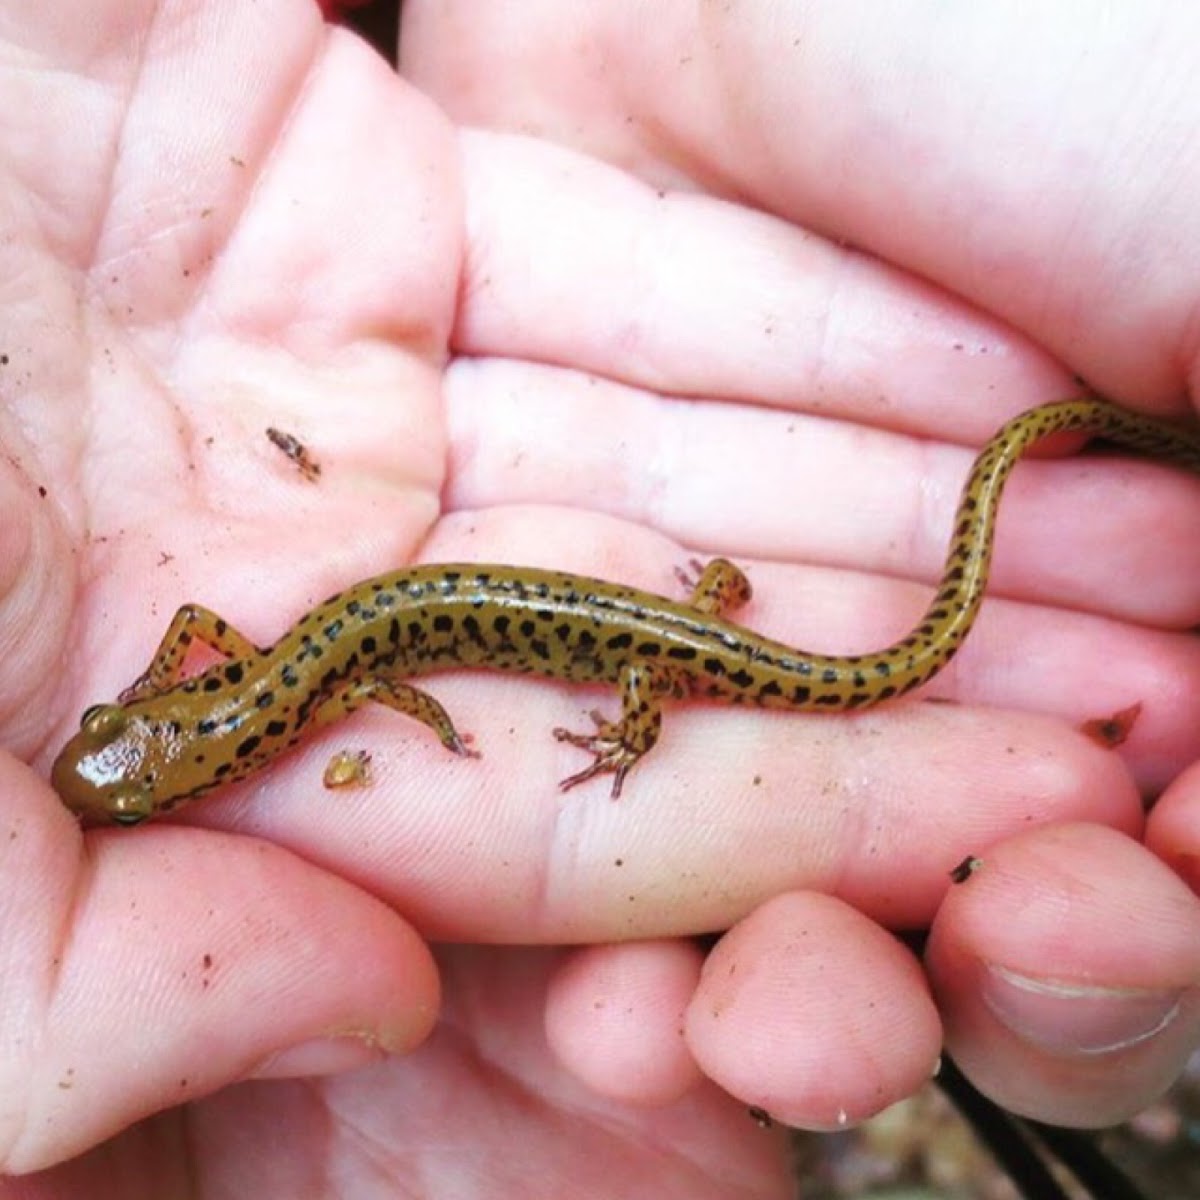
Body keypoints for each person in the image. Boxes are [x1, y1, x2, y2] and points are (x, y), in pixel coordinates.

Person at [2, 2, 1198, 1193]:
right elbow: (239, 643)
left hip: (658, 656)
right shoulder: (263, 678)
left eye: (145, 779)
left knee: (672, 691)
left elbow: (347, 677)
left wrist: (489, 725)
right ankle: (746, 595)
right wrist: (231, 693)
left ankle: (1006, 462)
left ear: (199, 772)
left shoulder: (296, 700)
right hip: (661, 626)